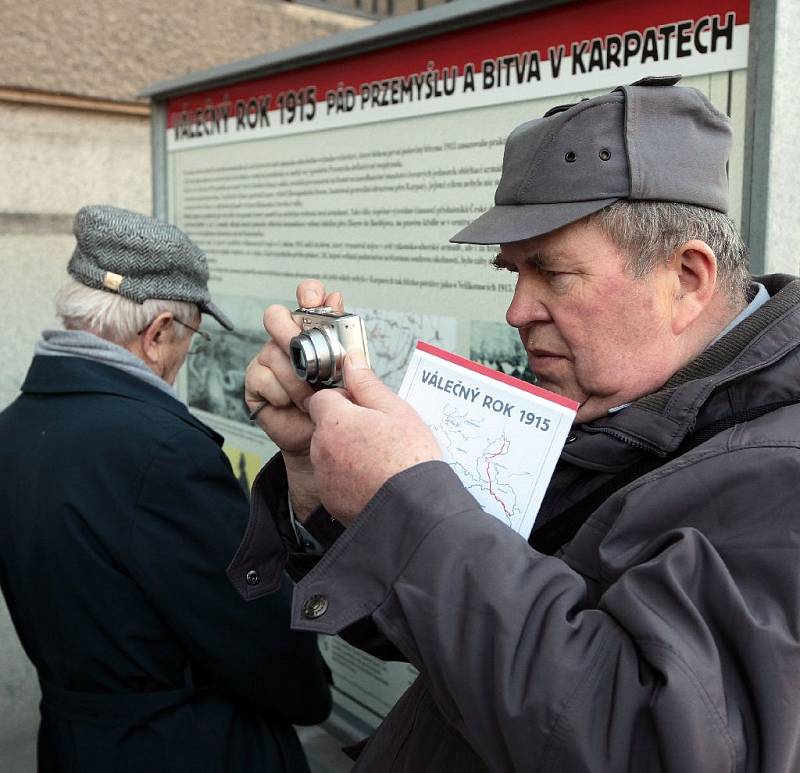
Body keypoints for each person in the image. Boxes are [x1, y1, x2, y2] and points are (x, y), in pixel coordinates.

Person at [234, 75, 800, 771]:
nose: (516, 310)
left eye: (552, 273)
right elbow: (439, 634)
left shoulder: (780, 470)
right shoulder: (617, 409)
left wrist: (408, 507)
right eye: (512, 272)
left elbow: (648, 744)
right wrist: (319, 481)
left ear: (686, 277)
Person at [0, 205, 332, 773]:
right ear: (157, 335)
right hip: (189, 748)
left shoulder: (15, 425)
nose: (184, 356)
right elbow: (261, 642)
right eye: (191, 340)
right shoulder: (160, 454)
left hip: (76, 744)